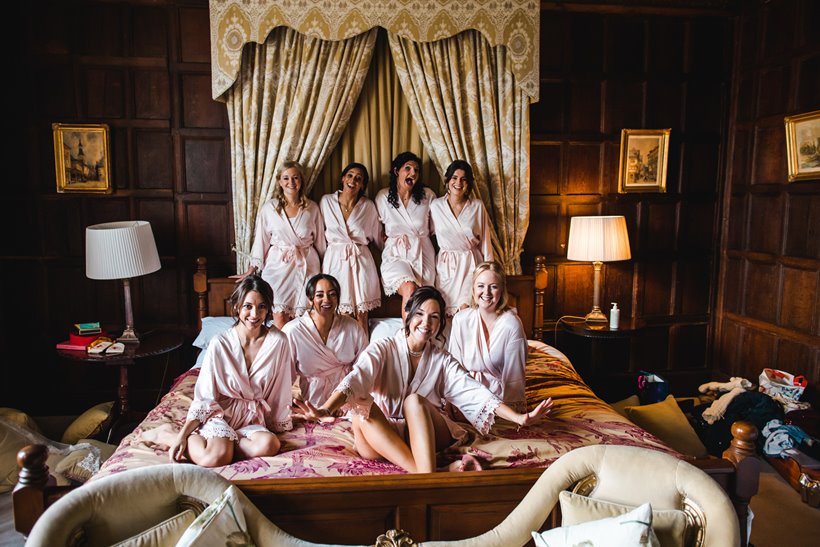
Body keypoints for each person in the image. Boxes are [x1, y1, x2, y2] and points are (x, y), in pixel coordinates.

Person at [292, 286, 552, 474]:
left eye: (435, 317)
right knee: (360, 411)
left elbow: (475, 392)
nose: (426, 323)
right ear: (408, 315)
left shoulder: (442, 360)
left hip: (428, 433)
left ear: (440, 324)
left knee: (414, 401)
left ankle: (423, 475)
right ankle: (428, 471)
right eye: (420, 314)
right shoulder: (383, 347)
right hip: (385, 436)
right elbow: (357, 378)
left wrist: (518, 418)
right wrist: (327, 408)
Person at [168, 276, 294, 467]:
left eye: (262, 306)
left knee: (270, 444)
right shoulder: (220, 344)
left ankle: (228, 444)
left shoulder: (279, 341)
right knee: (215, 459)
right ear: (237, 307)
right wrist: (183, 434)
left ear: (268, 308)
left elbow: (280, 389)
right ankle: (189, 439)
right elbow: (205, 395)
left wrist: (277, 423)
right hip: (220, 414)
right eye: (248, 306)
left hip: (251, 418)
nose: (255, 314)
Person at [235, 161, 326, 329]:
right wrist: (251, 270)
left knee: (303, 320)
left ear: (301, 181)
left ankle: (299, 354)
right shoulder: (270, 208)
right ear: (279, 181)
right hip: (278, 266)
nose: (291, 182)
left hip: (307, 265)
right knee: (279, 317)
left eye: (295, 178)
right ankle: (280, 353)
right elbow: (261, 240)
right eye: (286, 178)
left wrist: (325, 273)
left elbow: (320, 242)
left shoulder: (312, 208)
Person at [448, 261, 527, 412]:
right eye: (481, 286)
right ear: (473, 289)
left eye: (493, 286)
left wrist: (513, 415)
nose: (486, 292)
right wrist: (452, 401)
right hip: (465, 395)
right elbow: (454, 367)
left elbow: (514, 377)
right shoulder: (461, 320)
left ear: (502, 290)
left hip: (498, 401)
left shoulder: (511, 325)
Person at [282, 273, 369, 410]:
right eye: (319, 295)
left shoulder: (352, 327)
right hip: (312, 404)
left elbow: (364, 368)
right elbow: (284, 378)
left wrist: (344, 404)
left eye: (332, 294)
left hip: (347, 402)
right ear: (310, 299)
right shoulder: (293, 331)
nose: (326, 300)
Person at [320, 163, 383, 335]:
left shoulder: (368, 206)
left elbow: (378, 237)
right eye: (350, 175)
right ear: (342, 178)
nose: (353, 180)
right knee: (341, 313)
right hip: (335, 259)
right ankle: (342, 356)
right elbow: (319, 234)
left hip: (360, 259)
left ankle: (364, 357)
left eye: (358, 178)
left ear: (362, 185)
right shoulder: (326, 202)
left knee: (362, 315)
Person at [375, 151, 437, 316]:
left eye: (416, 170)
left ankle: (421, 338)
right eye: (407, 168)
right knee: (410, 287)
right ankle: (408, 338)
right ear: (396, 171)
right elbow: (377, 230)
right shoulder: (382, 197)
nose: (413, 173)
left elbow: (434, 229)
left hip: (423, 252)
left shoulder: (428, 196)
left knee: (423, 300)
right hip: (395, 254)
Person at [430, 160, 494, 316]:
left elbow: (485, 240)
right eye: (454, 177)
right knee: (445, 310)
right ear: (447, 181)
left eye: (463, 179)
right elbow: (423, 232)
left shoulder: (477, 206)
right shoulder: (435, 206)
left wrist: (490, 271)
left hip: (470, 263)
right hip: (446, 266)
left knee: (466, 309)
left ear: (469, 183)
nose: (458, 182)